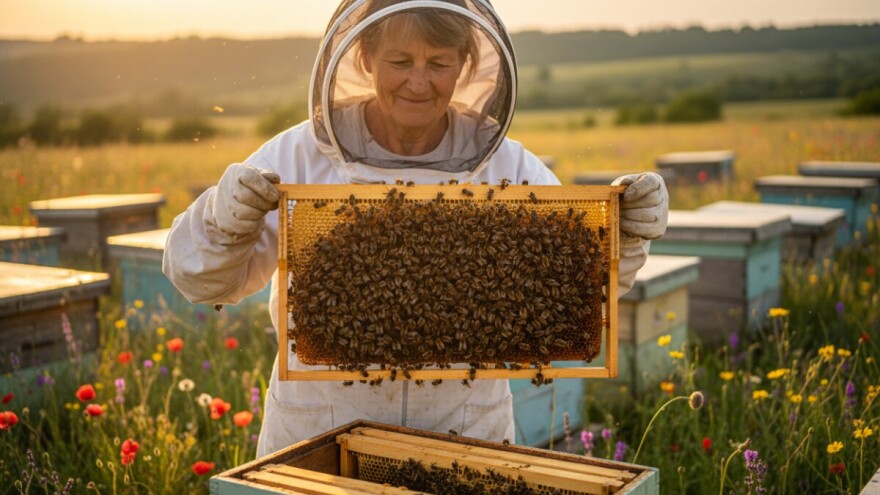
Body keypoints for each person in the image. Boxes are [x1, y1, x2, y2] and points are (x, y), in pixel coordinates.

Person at [163, 0, 668, 458]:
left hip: (465, 438)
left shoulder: (511, 169)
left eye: (440, 63)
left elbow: (578, 300)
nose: (419, 82)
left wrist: (623, 239)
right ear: (363, 56)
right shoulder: (296, 157)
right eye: (400, 62)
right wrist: (222, 221)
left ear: (466, 62)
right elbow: (201, 281)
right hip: (318, 436)